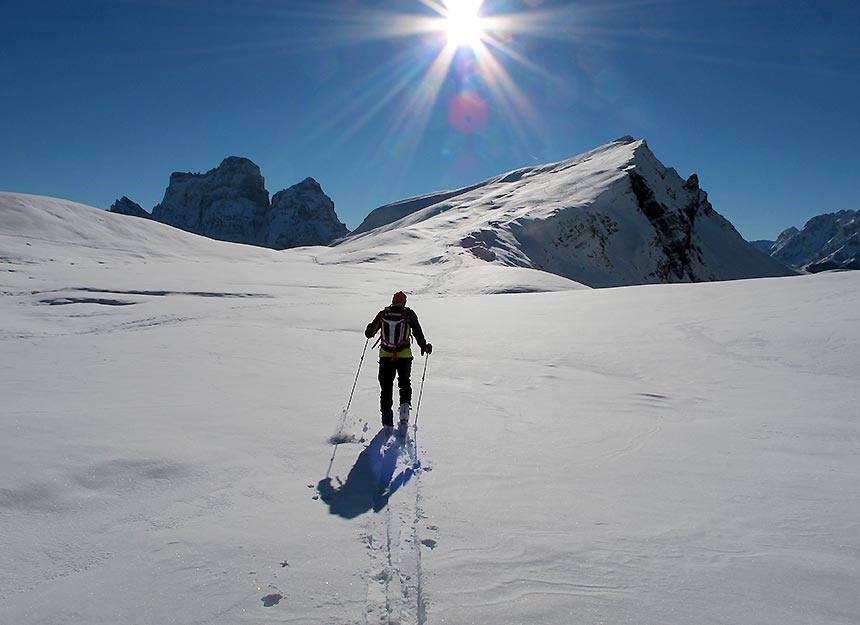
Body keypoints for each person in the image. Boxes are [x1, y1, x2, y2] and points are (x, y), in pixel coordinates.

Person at [365, 291, 432, 428]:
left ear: (393, 300)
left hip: (385, 356)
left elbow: (369, 333)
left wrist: (369, 329)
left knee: (386, 387)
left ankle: (387, 420)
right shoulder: (408, 314)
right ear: (404, 302)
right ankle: (404, 414)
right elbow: (417, 332)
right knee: (404, 383)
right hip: (404, 356)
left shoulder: (384, 313)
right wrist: (424, 346)